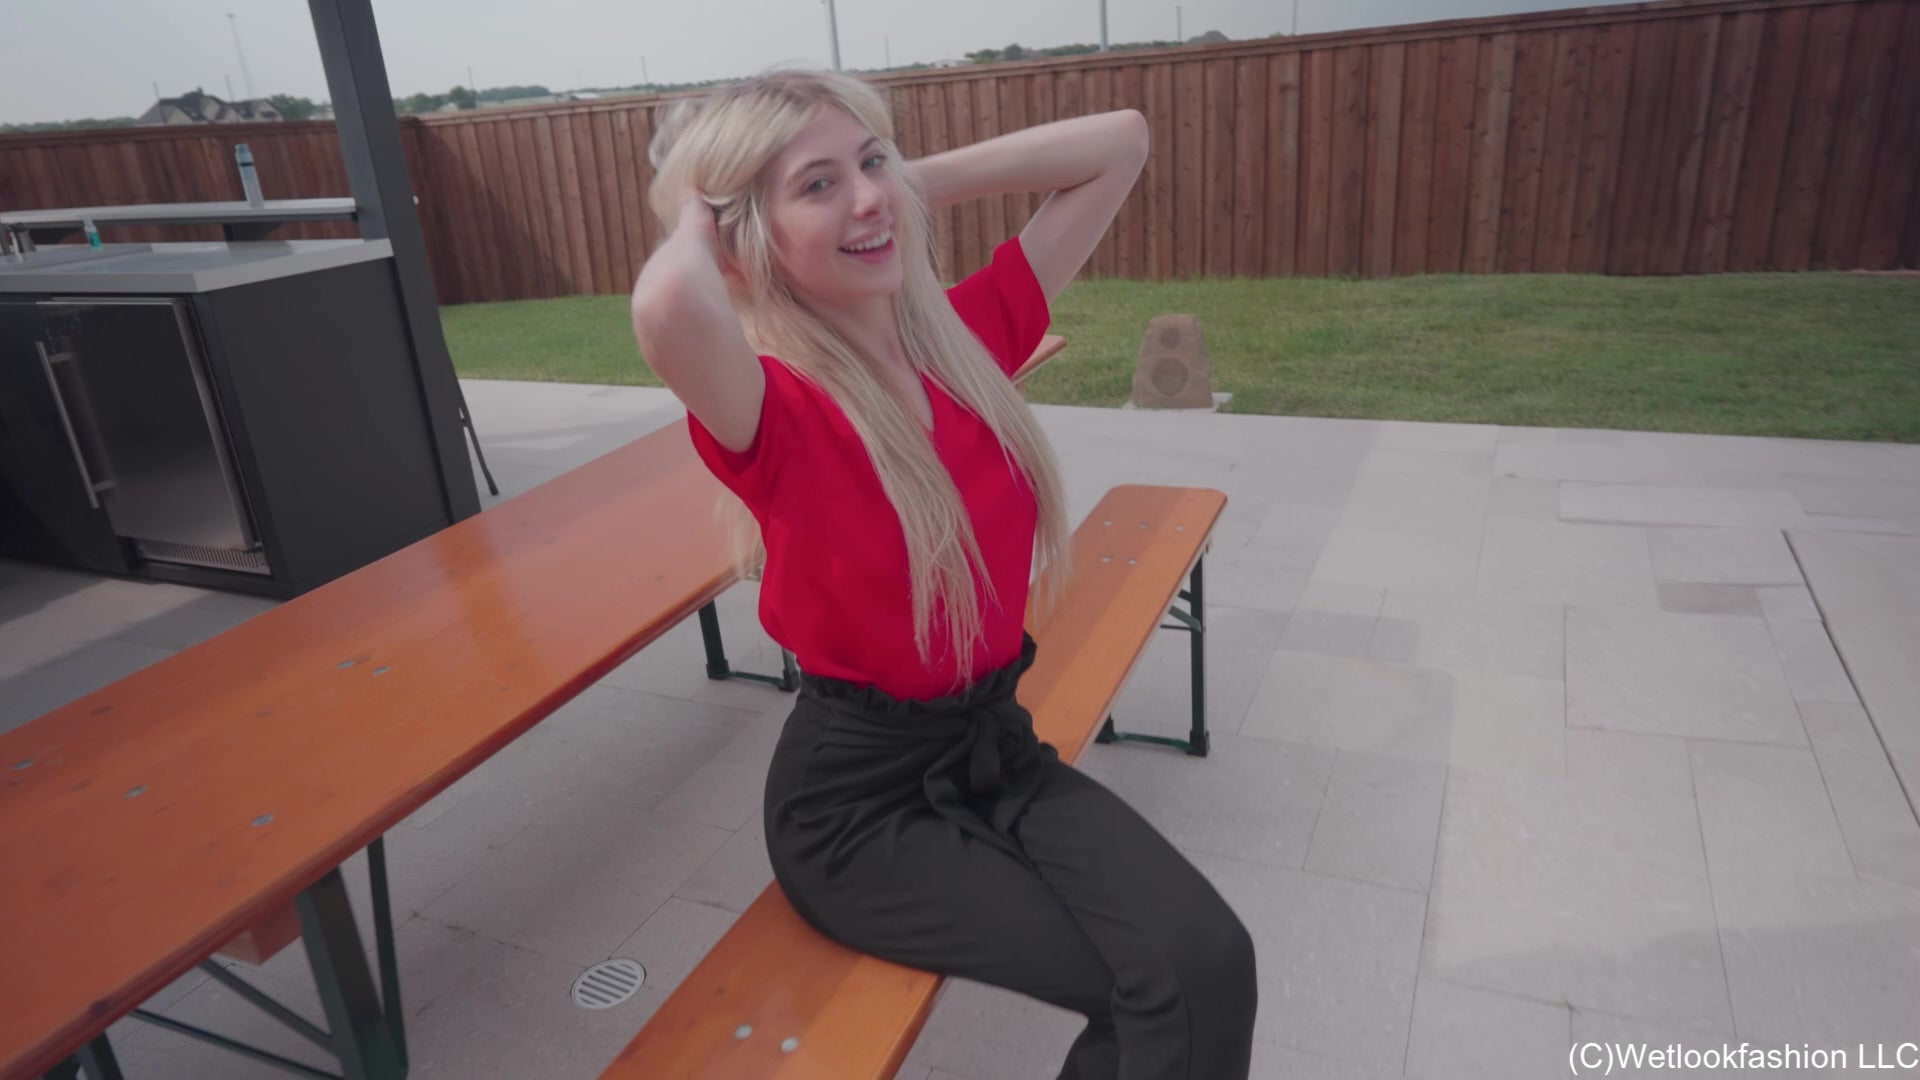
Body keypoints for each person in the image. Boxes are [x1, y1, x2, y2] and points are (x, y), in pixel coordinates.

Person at [630, 66, 1257, 1079]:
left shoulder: (964, 345)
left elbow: (1121, 142)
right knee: (1162, 992)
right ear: (748, 235)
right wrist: (710, 221)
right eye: (816, 185)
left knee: (1212, 961)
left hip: (993, 749)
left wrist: (895, 181)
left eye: (870, 162)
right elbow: (666, 307)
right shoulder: (773, 412)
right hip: (856, 806)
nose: (868, 197)